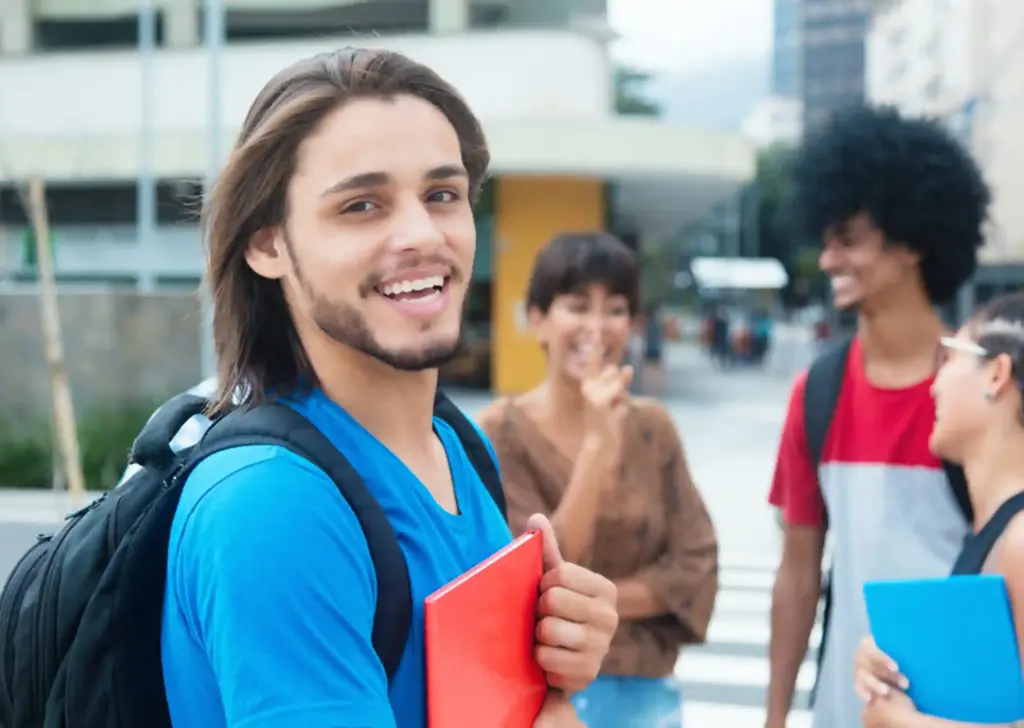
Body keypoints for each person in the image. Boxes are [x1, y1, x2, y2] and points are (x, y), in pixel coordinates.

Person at [160, 47, 619, 728]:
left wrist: (553, 658)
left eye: (442, 195)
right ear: (267, 245)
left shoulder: (456, 445)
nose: (421, 234)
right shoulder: (271, 506)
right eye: (362, 205)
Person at [764, 105, 991, 728]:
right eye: (827, 238)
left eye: (850, 240)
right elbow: (798, 576)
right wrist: (775, 717)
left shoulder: (981, 393)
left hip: (960, 714)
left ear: (913, 239)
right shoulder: (817, 393)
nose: (829, 259)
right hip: (842, 710)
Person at [477, 232, 719, 728]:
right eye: (576, 306)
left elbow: (695, 564)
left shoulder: (653, 427)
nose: (597, 326)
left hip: (647, 694)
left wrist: (589, 605)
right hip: (544, 698)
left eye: (615, 309)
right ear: (538, 320)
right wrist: (597, 446)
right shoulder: (499, 433)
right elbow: (531, 577)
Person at [853, 291, 1024, 727]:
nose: (934, 384)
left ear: (997, 374)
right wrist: (892, 673)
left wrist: (902, 723)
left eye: (949, 359)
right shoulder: (994, 528)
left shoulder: (1020, 540)